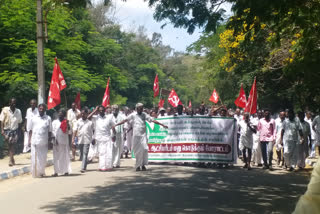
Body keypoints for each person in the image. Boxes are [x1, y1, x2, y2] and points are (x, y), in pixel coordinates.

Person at [113, 103, 168, 171]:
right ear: (136, 109)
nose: (141, 109)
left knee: (144, 149)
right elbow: (125, 120)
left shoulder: (144, 115)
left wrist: (162, 125)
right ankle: (138, 165)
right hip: (136, 136)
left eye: (142, 108)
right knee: (137, 151)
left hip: (143, 135)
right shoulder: (133, 115)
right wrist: (116, 125)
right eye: (139, 108)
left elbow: (152, 120)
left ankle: (143, 164)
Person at [28, 104, 52, 178]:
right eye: (40, 108)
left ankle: (41, 172)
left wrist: (49, 141)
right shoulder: (34, 118)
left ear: (45, 109)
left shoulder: (48, 118)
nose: (41, 110)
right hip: (34, 141)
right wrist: (29, 140)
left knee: (42, 158)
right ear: (38, 109)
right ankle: (35, 173)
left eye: (43, 109)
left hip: (44, 142)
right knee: (34, 157)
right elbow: (30, 130)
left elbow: (50, 131)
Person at [88, 105, 115, 171]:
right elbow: (88, 117)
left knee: (108, 152)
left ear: (105, 110)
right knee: (102, 152)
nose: (101, 111)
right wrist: (95, 110)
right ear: (98, 111)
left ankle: (108, 166)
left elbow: (113, 126)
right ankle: (102, 167)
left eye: (102, 110)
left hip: (107, 137)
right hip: (99, 138)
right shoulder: (96, 117)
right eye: (100, 110)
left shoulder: (108, 118)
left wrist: (114, 135)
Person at [0, 98, 22, 166]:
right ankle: (12, 159)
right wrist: (2, 130)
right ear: (9, 103)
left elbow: (20, 122)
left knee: (12, 145)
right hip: (7, 130)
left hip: (15, 130)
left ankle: (10, 160)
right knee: (10, 145)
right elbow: (1, 121)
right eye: (12, 103)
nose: (14, 104)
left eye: (15, 103)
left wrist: (20, 131)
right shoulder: (5, 110)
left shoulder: (18, 111)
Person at [72, 108, 94, 173]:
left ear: (87, 114)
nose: (82, 115)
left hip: (87, 140)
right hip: (80, 140)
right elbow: (75, 130)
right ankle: (85, 162)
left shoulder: (90, 123)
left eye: (84, 113)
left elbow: (93, 131)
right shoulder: (78, 121)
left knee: (85, 153)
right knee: (81, 154)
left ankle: (83, 167)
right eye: (81, 113)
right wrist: (73, 139)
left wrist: (93, 138)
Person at [51, 109, 71, 176]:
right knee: (56, 157)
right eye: (59, 112)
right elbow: (52, 132)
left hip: (64, 142)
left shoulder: (66, 122)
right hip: (56, 142)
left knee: (64, 157)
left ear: (64, 115)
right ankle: (56, 172)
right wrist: (54, 140)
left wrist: (67, 125)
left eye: (62, 113)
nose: (60, 114)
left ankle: (65, 171)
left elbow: (69, 132)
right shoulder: (54, 122)